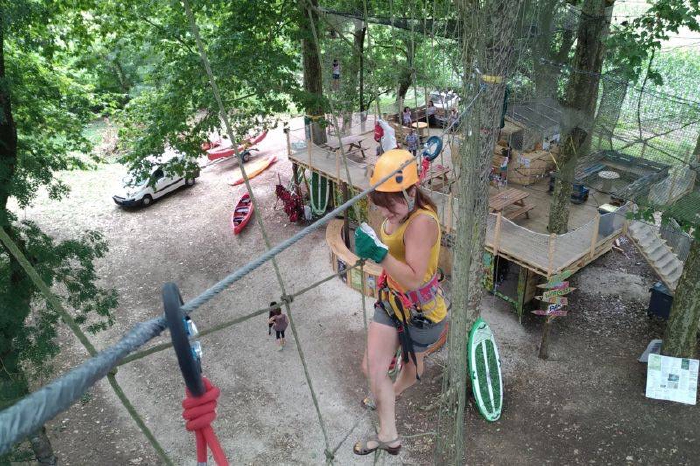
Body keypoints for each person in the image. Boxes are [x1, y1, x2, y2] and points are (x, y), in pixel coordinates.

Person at [352, 149, 448, 456]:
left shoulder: (421, 222)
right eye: (379, 205)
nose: (384, 213)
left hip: (420, 312)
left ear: (412, 191)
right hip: (394, 303)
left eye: (388, 204)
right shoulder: (400, 211)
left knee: (397, 369)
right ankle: (389, 420)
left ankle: (390, 410)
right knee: (383, 367)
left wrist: (379, 254)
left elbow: (414, 279)